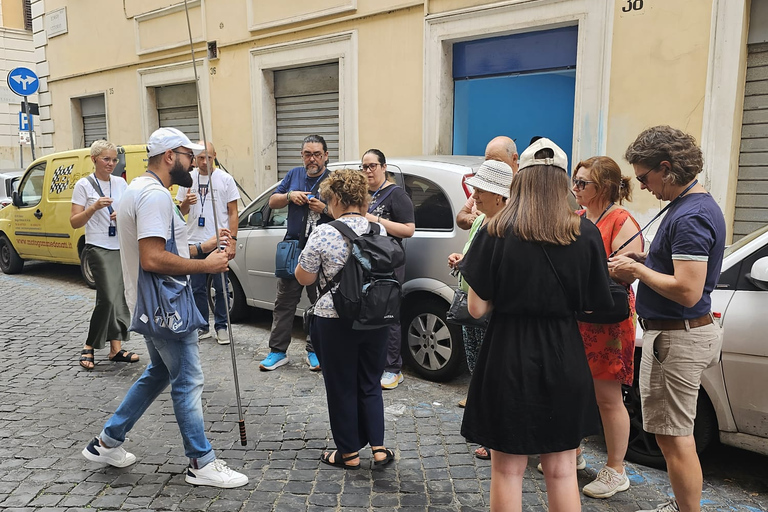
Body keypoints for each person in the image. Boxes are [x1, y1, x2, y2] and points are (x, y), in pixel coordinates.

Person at [81, 127, 248, 489]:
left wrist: (203, 248)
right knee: (187, 380)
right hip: (165, 305)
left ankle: (106, 442)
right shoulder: (155, 196)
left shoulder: (140, 190)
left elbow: (165, 250)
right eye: (189, 155)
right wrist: (207, 266)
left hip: (149, 301)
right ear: (171, 156)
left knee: (158, 372)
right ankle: (201, 462)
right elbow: (154, 258)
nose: (194, 163)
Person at [459, 138, 613, 511]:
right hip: (564, 354)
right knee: (561, 470)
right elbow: (595, 305)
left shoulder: (495, 230)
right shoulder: (586, 233)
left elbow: (476, 308)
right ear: (563, 183)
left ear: (519, 180)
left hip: (508, 354)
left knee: (508, 470)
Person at [609, 126, 726, 512]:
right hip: (682, 333)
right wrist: (646, 261)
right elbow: (681, 270)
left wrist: (639, 272)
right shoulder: (691, 204)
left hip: (677, 338)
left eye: (645, 177)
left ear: (666, 167)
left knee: (674, 438)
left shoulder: (691, 213)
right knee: (674, 435)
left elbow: (688, 289)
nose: (642, 186)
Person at [295, 168, 396, 470]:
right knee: (370, 382)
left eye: (329, 200)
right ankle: (378, 448)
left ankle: (349, 453)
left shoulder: (324, 232)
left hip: (334, 318)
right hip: (376, 318)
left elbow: (304, 277)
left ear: (337, 198)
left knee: (340, 385)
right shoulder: (379, 231)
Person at [570, 156, 643, 499]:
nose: (576, 188)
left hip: (608, 321)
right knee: (577, 388)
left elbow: (629, 270)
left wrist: (595, 267)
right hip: (580, 315)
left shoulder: (621, 220)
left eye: (583, 183)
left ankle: (616, 469)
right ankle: (575, 451)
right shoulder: (580, 218)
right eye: (576, 181)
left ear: (604, 187)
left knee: (608, 396)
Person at [447, 159, 513, 462]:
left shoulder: (505, 228)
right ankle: (487, 426)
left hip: (489, 309)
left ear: (500, 196)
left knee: (493, 374)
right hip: (471, 300)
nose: (473, 197)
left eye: (479, 191)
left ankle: (493, 433)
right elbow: (475, 256)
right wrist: (463, 260)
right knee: (477, 369)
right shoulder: (481, 221)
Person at [260, 134, 333, 372]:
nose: (312, 159)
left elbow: (348, 213)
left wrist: (325, 209)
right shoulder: (294, 175)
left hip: (323, 253)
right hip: (294, 248)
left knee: (320, 304)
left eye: (317, 154)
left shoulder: (333, 180)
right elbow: (272, 201)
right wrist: (290, 196)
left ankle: (316, 351)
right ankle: (277, 352)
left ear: (326, 156)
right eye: (307, 154)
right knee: (284, 303)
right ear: (302, 156)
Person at [70, 140, 138, 370]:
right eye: (106, 159)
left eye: (114, 160)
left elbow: (131, 212)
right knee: (108, 296)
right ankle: (89, 344)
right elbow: (74, 221)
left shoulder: (120, 183)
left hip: (121, 245)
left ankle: (116, 348)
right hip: (98, 246)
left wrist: (123, 215)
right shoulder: (83, 185)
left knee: (119, 297)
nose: (111, 164)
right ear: (94, 160)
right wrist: (94, 208)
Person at [360, 149, 415, 390]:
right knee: (368, 312)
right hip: (364, 260)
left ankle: (393, 368)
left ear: (384, 167)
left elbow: (408, 230)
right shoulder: (362, 194)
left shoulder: (396, 194)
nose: (368, 171)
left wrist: (377, 221)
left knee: (388, 313)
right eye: (364, 167)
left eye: (372, 166)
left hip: (388, 261)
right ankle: (374, 363)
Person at [176, 141, 240, 345]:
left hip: (219, 241)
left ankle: (221, 326)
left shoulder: (225, 179)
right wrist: (186, 203)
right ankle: (202, 325)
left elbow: (233, 212)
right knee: (196, 288)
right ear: (194, 158)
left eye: (209, 157)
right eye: (200, 158)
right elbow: (180, 212)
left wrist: (232, 241)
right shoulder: (188, 179)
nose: (204, 162)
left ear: (215, 156)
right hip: (194, 240)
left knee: (221, 288)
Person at [456, 136, 518, 230]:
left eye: (497, 161)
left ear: (514, 158)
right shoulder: (483, 183)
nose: (490, 166)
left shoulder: (522, 187)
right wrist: (470, 219)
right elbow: (461, 216)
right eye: (487, 161)